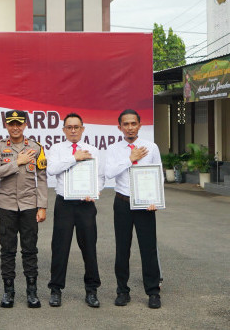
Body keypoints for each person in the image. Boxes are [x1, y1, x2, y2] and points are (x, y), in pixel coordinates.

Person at [105, 109, 163, 309]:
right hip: (122, 202)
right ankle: (122, 291)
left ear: (140, 125)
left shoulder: (151, 147)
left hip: (145, 204)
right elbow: (109, 173)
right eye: (126, 124)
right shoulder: (113, 149)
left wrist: (155, 199)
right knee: (122, 248)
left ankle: (153, 292)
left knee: (148, 248)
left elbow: (159, 175)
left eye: (133, 123)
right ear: (119, 127)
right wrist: (130, 158)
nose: (130, 127)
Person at [0, 110, 47, 308]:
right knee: (7, 250)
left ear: (25, 125)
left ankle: (32, 292)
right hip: (6, 206)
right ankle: (8, 292)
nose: (15, 127)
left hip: (30, 205)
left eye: (19, 123)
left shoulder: (36, 148)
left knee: (30, 249)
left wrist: (43, 206)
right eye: (11, 123)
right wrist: (17, 162)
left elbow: (42, 179)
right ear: (6, 125)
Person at [46, 113, 102, 308]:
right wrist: (74, 157)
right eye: (69, 127)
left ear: (83, 129)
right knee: (60, 247)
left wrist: (95, 192)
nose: (73, 130)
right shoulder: (57, 149)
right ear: (63, 130)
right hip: (64, 203)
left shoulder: (93, 150)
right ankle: (55, 289)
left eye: (76, 127)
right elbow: (51, 169)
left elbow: (100, 175)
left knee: (89, 247)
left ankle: (92, 289)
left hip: (86, 204)